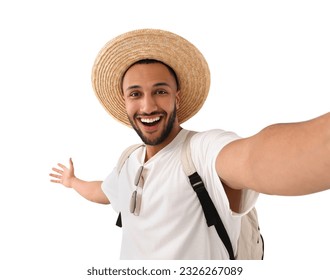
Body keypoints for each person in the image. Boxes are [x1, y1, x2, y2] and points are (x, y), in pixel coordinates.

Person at [49, 29, 330, 260]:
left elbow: (255, 158)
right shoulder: (127, 161)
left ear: (177, 98)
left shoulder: (201, 150)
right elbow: (103, 191)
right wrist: (73, 182)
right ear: (126, 102)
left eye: (160, 91)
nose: (147, 106)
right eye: (136, 94)